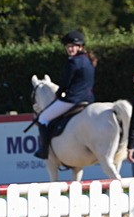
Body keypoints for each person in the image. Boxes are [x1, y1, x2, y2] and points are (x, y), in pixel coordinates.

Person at [34, 30, 96, 159]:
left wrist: (59, 93)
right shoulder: (88, 60)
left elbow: (66, 83)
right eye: (68, 47)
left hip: (73, 99)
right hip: (89, 99)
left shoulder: (73, 62)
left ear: (80, 47)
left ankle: (45, 151)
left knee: (43, 118)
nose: (70, 49)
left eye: (73, 46)